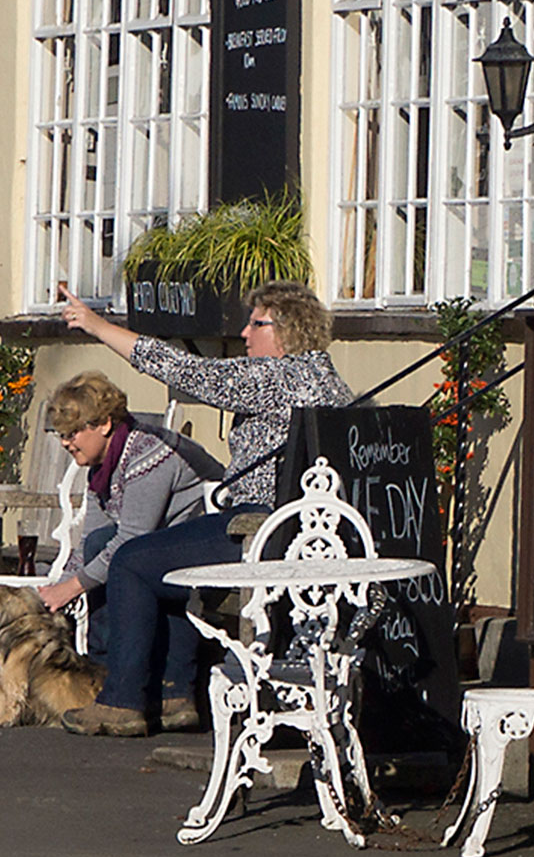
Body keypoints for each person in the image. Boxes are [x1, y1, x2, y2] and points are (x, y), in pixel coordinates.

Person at [51, 277, 350, 737]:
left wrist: (96, 325)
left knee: (132, 560)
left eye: (256, 324)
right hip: (309, 536)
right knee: (163, 559)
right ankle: (174, 696)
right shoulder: (332, 384)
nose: (245, 335)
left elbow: (184, 371)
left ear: (288, 331)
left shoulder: (276, 378)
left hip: (258, 530)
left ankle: (122, 702)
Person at [33, 372, 206, 617]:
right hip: (154, 554)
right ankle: (100, 651)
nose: (64, 443)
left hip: (198, 555)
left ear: (103, 424)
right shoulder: (101, 469)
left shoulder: (148, 453)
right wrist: (59, 588)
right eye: (61, 435)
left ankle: (106, 650)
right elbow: (90, 538)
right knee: (98, 542)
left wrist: (70, 588)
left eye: (72, 433)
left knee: (113, 551)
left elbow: (132, 536)